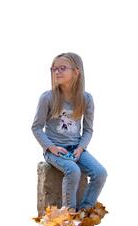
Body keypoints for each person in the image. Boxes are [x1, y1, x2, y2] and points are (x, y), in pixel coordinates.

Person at [32, 52, 107, 211]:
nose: (56, 72)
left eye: (62, 68)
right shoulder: (47, 97)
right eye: (54, 69)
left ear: (76, 72)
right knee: (73, 170)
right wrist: (50, 147)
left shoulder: (86, 99)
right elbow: (36, 127)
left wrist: (81, 148)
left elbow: (88, 130)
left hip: (76, 148)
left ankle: (85, 210)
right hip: (54, 149)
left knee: (100, 173)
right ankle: (69, 214)